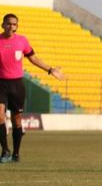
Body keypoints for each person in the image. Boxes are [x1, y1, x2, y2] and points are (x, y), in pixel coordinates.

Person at [0, 13, 64, 163]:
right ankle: (5, 151)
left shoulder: (22, 41)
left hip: (17, 85)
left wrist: (50, 69)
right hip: (0, 84)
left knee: (17, 120)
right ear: (3, 25)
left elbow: (33, 58)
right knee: (0, 116)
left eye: (14, 24)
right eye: (8, 23)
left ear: (17, 26)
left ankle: (16, 153)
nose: (11, 26)